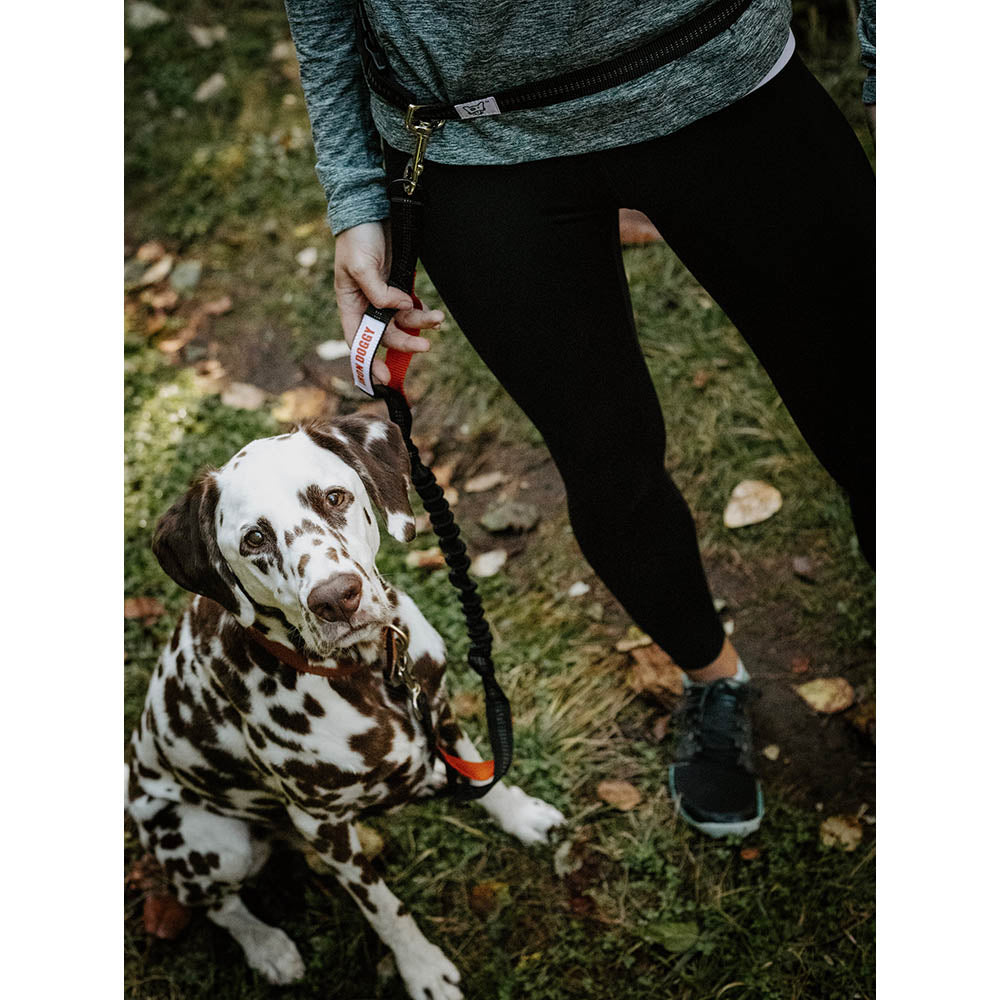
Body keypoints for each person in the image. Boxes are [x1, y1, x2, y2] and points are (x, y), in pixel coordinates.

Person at [284, 0, 875, 838]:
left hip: (725, 79)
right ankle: (714, 680)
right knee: (608, 463)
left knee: (877, 420)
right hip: (474, 143)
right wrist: (353, 193)